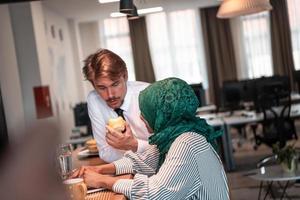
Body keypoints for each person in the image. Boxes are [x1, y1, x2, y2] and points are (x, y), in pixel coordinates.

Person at [73, 78, 229, 199]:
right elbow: (143, 160)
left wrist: (101, 181)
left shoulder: (187, 144)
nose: (141, 116)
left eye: (147, 111)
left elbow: (154, 194)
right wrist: (99, 169)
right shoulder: (178, 135)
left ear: (162, 113)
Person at [83, 49, 150, 163]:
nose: (110, 95)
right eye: (102, 88)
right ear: (93, 85)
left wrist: (133, 145)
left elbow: (168, 149)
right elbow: (105, 153)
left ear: (125, 76)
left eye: (115, 84)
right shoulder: (94, 100)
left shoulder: (148, 94)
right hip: (125, 172)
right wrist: (139, 150)